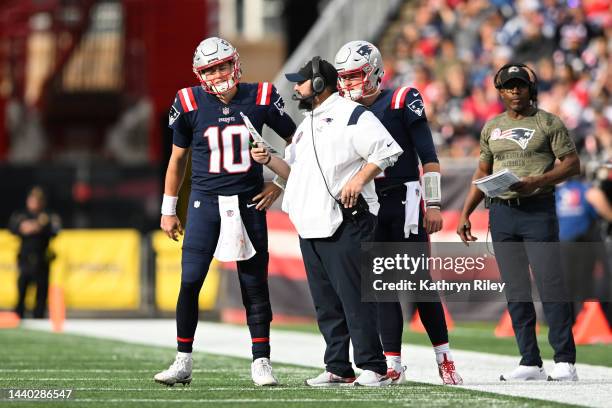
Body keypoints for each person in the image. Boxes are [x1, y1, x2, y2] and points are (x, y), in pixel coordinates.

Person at [251, 56, 403, 386]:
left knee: (354, 298)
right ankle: (338, 366)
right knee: (326, 303)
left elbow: (388, 150)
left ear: (319, 84)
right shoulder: (305, 126)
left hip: (347, 219)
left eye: (301, 81)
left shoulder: (353, 114)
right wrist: (269, 158)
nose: (295, 86)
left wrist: (358, 180)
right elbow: (292, 173)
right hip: (312, 223)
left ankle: (373, 366)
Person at [154, 37, 296, 387]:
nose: (219, 73)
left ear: (234, 63)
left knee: (254, 285)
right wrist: (168, 209)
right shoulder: (188, 101)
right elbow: (177, 159)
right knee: (190, 281)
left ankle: (261, 361)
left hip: (248, 201)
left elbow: (299, 143)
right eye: (211, 69)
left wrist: (279, 183)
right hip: (205, 203)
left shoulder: (261, 96)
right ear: (200, 74)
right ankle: (182, 360)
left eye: (222, 65)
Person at [333, 40, 463, 385]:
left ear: (375, 71)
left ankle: (444, 357)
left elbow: (428, 156)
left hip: (405, 198)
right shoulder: (345, 111)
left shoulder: (402, 98)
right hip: (370, 201)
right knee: (382, 285)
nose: (349, 84)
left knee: (419, 282)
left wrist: (433, 204)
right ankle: (393, 362)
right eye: (344, 78)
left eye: (356, 76)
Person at [457, 63, 580, 381]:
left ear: (531, 89)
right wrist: (465, 212)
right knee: (515, 289)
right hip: (502, 213)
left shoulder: (548, 122)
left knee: (550, 284)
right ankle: (529, 360)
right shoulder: (491, 127)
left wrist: (538, 180)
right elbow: (482, 172)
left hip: (537, 210)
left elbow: (572, 165)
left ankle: (564, 360)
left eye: (520, 85)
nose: (515, 90)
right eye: (509, 86)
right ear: (499, 91)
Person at [8, 186, 61, 319]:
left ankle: (39, 315)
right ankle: (19, 314)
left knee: (41, 290)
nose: (35, 203)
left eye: (38, 200)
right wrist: (25, 227)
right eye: (32, 200)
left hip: (42, 258)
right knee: (22, 288)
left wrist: (40, 227)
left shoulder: (48, 216)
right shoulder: (21, 215)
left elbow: (55, 230)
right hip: (25, 257)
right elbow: (13, 228)